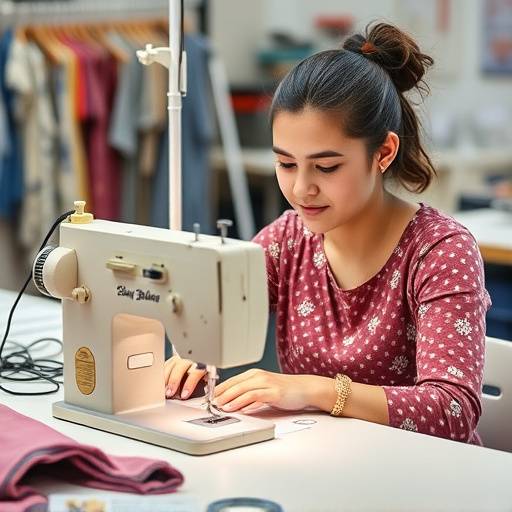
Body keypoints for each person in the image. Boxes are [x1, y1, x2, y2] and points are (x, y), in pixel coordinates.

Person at [164, 23, 491, 444]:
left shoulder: (440, 252)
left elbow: (452, 410)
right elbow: (216, 317)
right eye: (285, 164)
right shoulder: (285, 241)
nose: (302, 189)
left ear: (384, 153)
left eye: (326, 167)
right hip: (325, 461)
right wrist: (190, 359)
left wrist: (316, 390)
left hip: (423, 476)